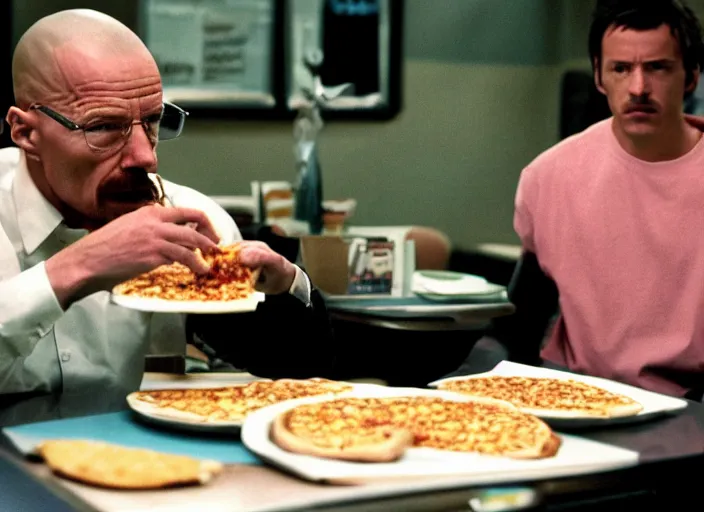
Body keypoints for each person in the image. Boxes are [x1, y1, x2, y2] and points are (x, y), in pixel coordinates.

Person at [0, 9, 334, 398]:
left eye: (153, 121)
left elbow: (296, 373)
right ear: (26, 132)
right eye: (105, 127)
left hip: (149, 456)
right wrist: (79, 267)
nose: (146, 158)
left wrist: (284, 289)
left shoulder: (188, 217)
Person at [450, 0, 704, 400]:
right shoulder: (549, 176)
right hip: (575, 397)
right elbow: (520, 325)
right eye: (621, 69)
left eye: (657, 67)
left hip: (686, 407)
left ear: (691, 76)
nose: (638, 88)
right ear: (600, 77)